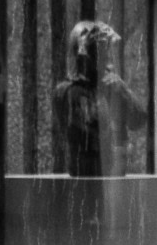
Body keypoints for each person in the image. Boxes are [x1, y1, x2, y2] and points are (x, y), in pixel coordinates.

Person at [53, 20, 148, 177]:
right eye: (98, 51)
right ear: (83, 54)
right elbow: (89, 132)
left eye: (105, 50)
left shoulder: (113, 86)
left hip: (113, 174)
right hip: (84, 174)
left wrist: (122, 89)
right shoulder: (66, 91)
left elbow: (138, 120)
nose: (105, 56)